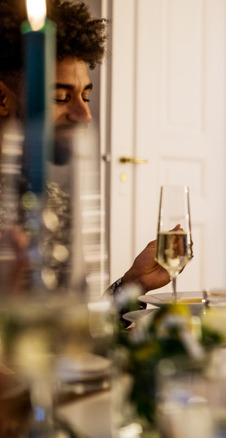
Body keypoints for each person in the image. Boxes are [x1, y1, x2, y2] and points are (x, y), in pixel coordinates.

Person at [0, 0, 170, 296]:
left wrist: (131, 284)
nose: (85, 115)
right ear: (3, 98)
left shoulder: (51, 197)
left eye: (85, 97)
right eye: (60, 97)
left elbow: (74, 325)